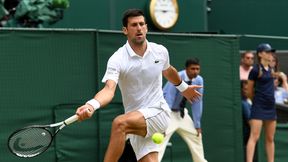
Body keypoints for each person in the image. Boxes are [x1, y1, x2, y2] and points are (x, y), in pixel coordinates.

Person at [75, 9, 202, 162]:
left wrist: (183, 88)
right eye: (134, 25)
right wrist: (91, 105)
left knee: (119, 124)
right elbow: (109, 90)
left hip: (158, 112)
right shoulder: (117, 59)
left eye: (142, 24)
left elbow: (168, 70)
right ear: (125, 30)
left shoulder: (160, 51)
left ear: (146, 28)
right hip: (136, 120)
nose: (139, 28)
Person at [158, 58, 207, 162]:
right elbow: (168, 98)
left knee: (196, 135)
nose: (195, 72)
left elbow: (197, 102)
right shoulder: (177, 77)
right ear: (186, 69)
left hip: (181, 114)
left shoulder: (199, 80)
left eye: (197, 69)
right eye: (192, 69)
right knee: (161, 138)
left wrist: (197, 125)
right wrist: (164, 121)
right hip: (168, 112)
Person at [246, 43, 277, 162]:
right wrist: (257, 101)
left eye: (270, 52)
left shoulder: (272, 68)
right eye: (267, 52)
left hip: (270, 107)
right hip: (258, 106)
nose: (270, 54)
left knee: (270, 138)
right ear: (260, 54)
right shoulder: (255, 70)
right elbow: (249, 91)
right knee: (254, 136)